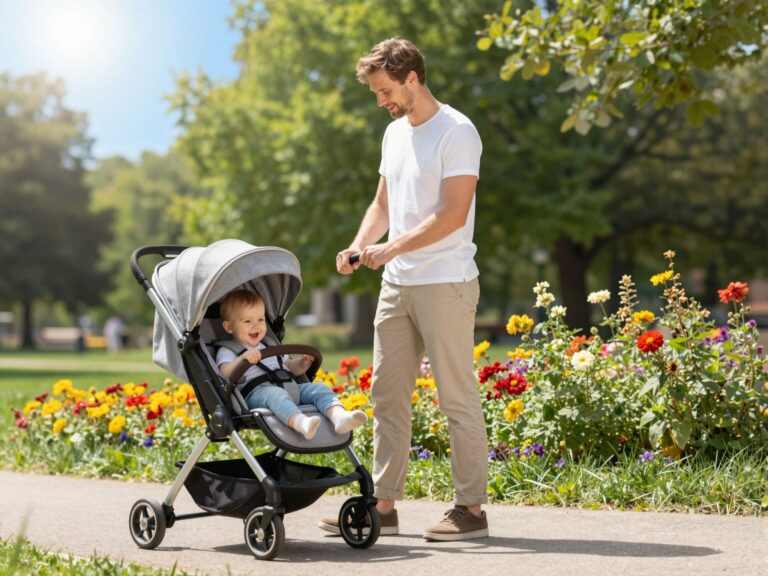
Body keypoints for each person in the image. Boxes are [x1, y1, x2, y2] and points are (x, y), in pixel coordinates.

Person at [320, 37, 488, 541]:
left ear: (412, 78)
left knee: (455, 397)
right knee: (387, 394)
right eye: (376, 92)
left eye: (385, 90)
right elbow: (383, 206)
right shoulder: (394, 134)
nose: (381, 101)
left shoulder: (457, 132)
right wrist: (359, 245)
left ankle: (471, 510)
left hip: (446, 282)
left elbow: (452, 215)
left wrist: (391, 249)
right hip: (398, 286)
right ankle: (385, 506)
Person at [215, 290, 367, 440]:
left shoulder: (269, 345)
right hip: (258, 394)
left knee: (319, 388)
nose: (256, 326)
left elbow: (289, 367)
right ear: (229, 327)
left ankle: (339, 417)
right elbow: (225, 373)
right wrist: (242, 359)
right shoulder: (228, 350)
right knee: (275, 394)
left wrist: (302, 363)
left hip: (291, 388)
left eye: (260, 320)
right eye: (247, 321)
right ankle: (302, 423)